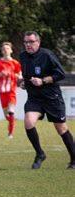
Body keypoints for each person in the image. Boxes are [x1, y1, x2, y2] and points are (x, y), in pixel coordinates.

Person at [19, 31, 75, 170]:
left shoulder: (47, 55)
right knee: (28, 121)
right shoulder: (22, 56)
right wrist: (24, 83)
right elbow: (27, 75)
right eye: (26, 42)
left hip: (52, 98)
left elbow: (60, 74)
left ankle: (74, 159)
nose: (28, 45)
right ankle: (40, 154)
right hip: (35, 98)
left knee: (61, 128)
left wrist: (43, 80)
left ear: (38, 42)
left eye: (31, 42)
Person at [0, 42, 22, 139]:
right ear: (2, 51)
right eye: (4, 49)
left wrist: (16, 75)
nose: (6, 50)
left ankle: (11, 134)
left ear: (11, 50)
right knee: (6, 116)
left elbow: (20, 75)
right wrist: (0, 74)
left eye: (7, 48)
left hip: (11, 91)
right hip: (2, 91)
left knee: (11, 110)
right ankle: (12, 122)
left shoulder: (15, 63)